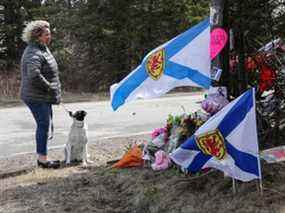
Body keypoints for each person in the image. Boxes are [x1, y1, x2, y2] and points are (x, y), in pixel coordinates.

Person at [20, 20, 61, 169]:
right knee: (43, 125)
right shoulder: (34, 51)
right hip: (36, 96)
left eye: (49, 33)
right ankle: (42, 160)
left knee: (44, 124)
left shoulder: (42, 48)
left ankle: (42, 157)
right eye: (47, 34)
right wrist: (49, 87)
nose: (50, 36)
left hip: (42, 95)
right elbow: (34, 75)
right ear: (37, 36)